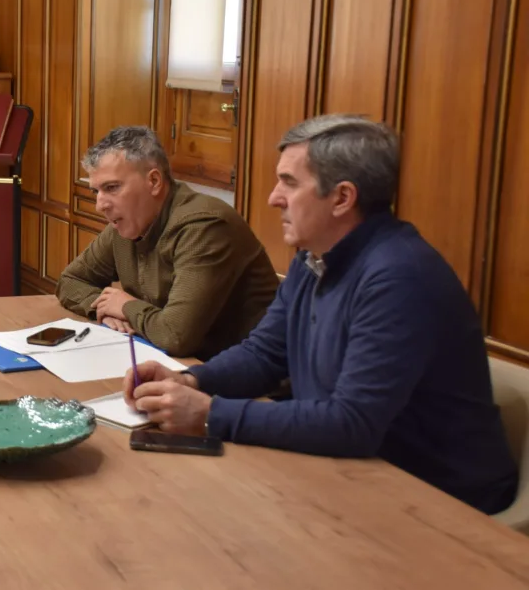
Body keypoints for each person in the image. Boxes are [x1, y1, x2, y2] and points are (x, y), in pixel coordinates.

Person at [125, 114, 518, 514]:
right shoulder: (313, 258)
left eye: (290, 183)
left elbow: (352, 424)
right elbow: (265, 354)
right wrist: (191, 379)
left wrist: (211, 414)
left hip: (438, 498)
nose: (273, 197)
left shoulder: (399, 277)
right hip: (349, 469)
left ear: (342, 198)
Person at [56, 126, 278, 358]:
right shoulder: (127, 223)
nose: (100, 205)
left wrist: (124, 306)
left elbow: (175, 335)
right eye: (96, 192)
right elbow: (69, 280)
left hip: (248, 382)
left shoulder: (204, 226)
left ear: (154, 181)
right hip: (178, 365)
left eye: (112, 188)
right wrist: (102, 308)